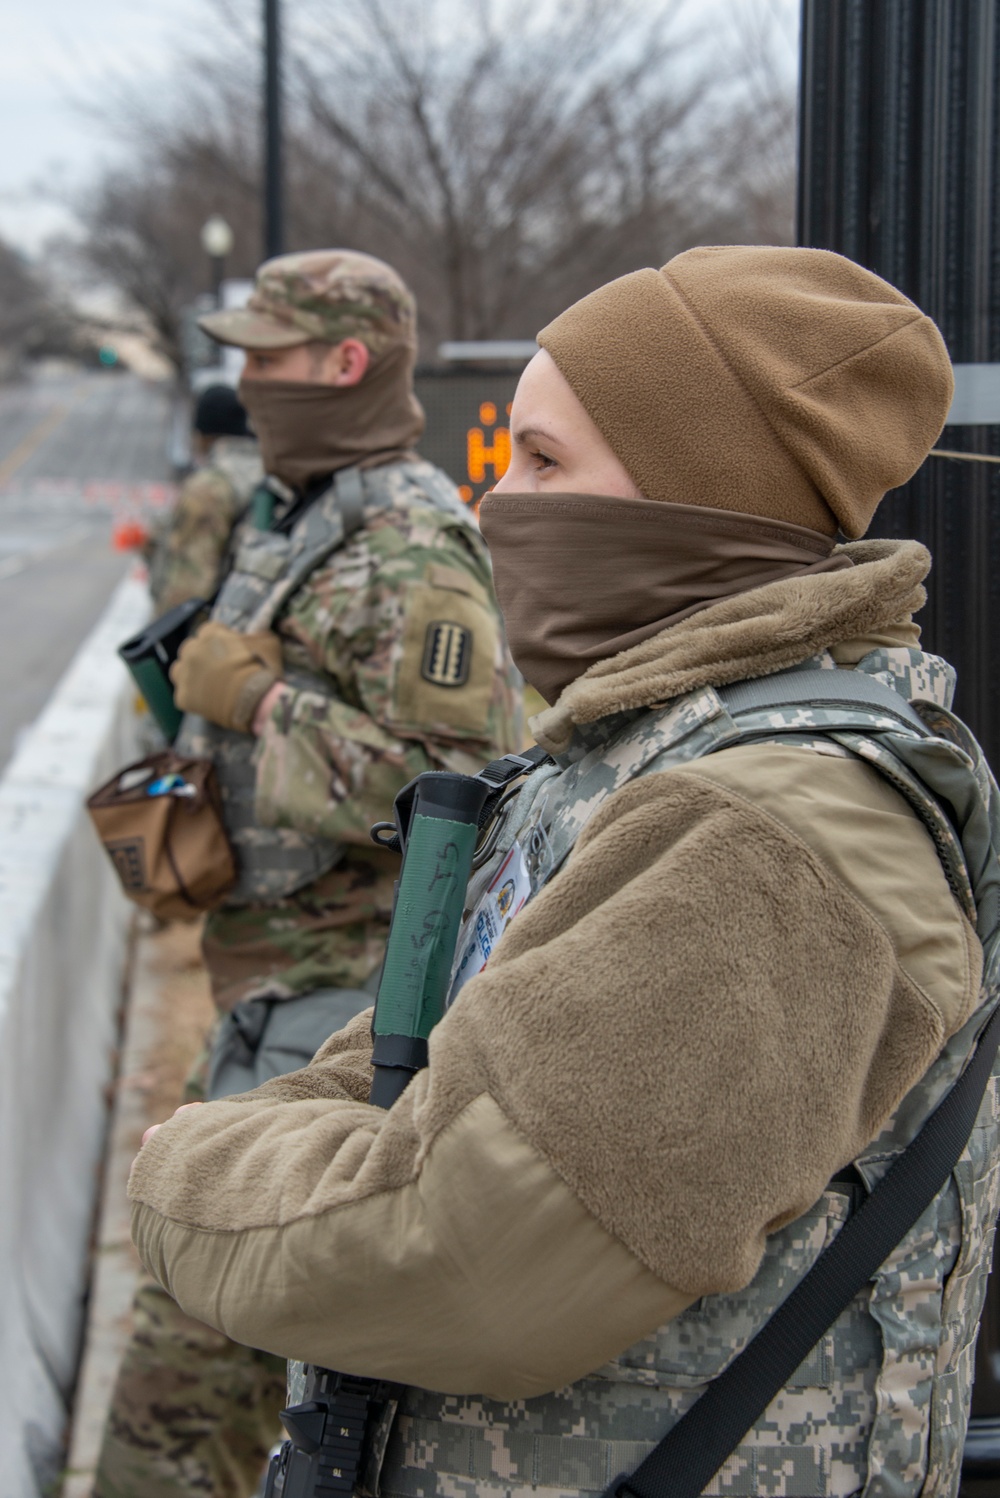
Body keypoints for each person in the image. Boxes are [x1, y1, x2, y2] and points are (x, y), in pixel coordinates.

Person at [127, 246, 1000, 1498]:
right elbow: (406, 1058)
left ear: (699, 491)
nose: (494, 503)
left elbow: (456, 1249)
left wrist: (179, 1170)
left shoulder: (768, 824)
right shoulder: (638, 758)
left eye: (542, 459)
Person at [94, 249, 522, 1498]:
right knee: (222, 1383)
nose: (246, 380)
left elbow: (456, 784)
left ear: (344, 363)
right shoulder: (295, 516)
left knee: (181, 1395)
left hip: (335, 1011)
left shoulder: (408, 546)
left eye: (267, 357)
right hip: (261, 994)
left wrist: (264, 701)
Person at [147, 383, 262, 615]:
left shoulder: (210, 487)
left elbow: (187, 589)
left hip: (215, 634)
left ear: (203, 435)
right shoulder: (269, 471)